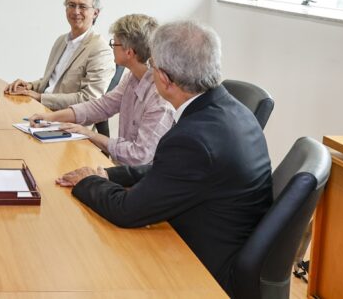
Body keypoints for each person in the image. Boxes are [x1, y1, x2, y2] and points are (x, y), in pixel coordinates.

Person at [55, 20, 273, 296]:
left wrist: (87, 182)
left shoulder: (192, 139)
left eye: (153, 66)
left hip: (203, 270)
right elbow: (167, 170)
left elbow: (126, 210)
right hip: (226, 243)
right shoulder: (233, 110)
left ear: (165, 79)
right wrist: (109, 174)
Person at [27, 14, 173, 166]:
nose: (111, 48)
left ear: (129, 52)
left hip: (140, 180)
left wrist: (90, 134)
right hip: (124, 170)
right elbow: (101, 106)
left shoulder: (160, 98)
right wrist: (50, 118)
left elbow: (138, 156)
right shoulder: (132, 77)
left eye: (114, 44)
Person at [4, 0, 114, 110]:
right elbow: (54, 82)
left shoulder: (100, 50)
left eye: (82, 6)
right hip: (43, 110)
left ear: (95, 13)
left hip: (68, 120)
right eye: (71, 5)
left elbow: (89, 99)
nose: (76, 11)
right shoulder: (61, 41)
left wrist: (40, 97)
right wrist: (29, 86)